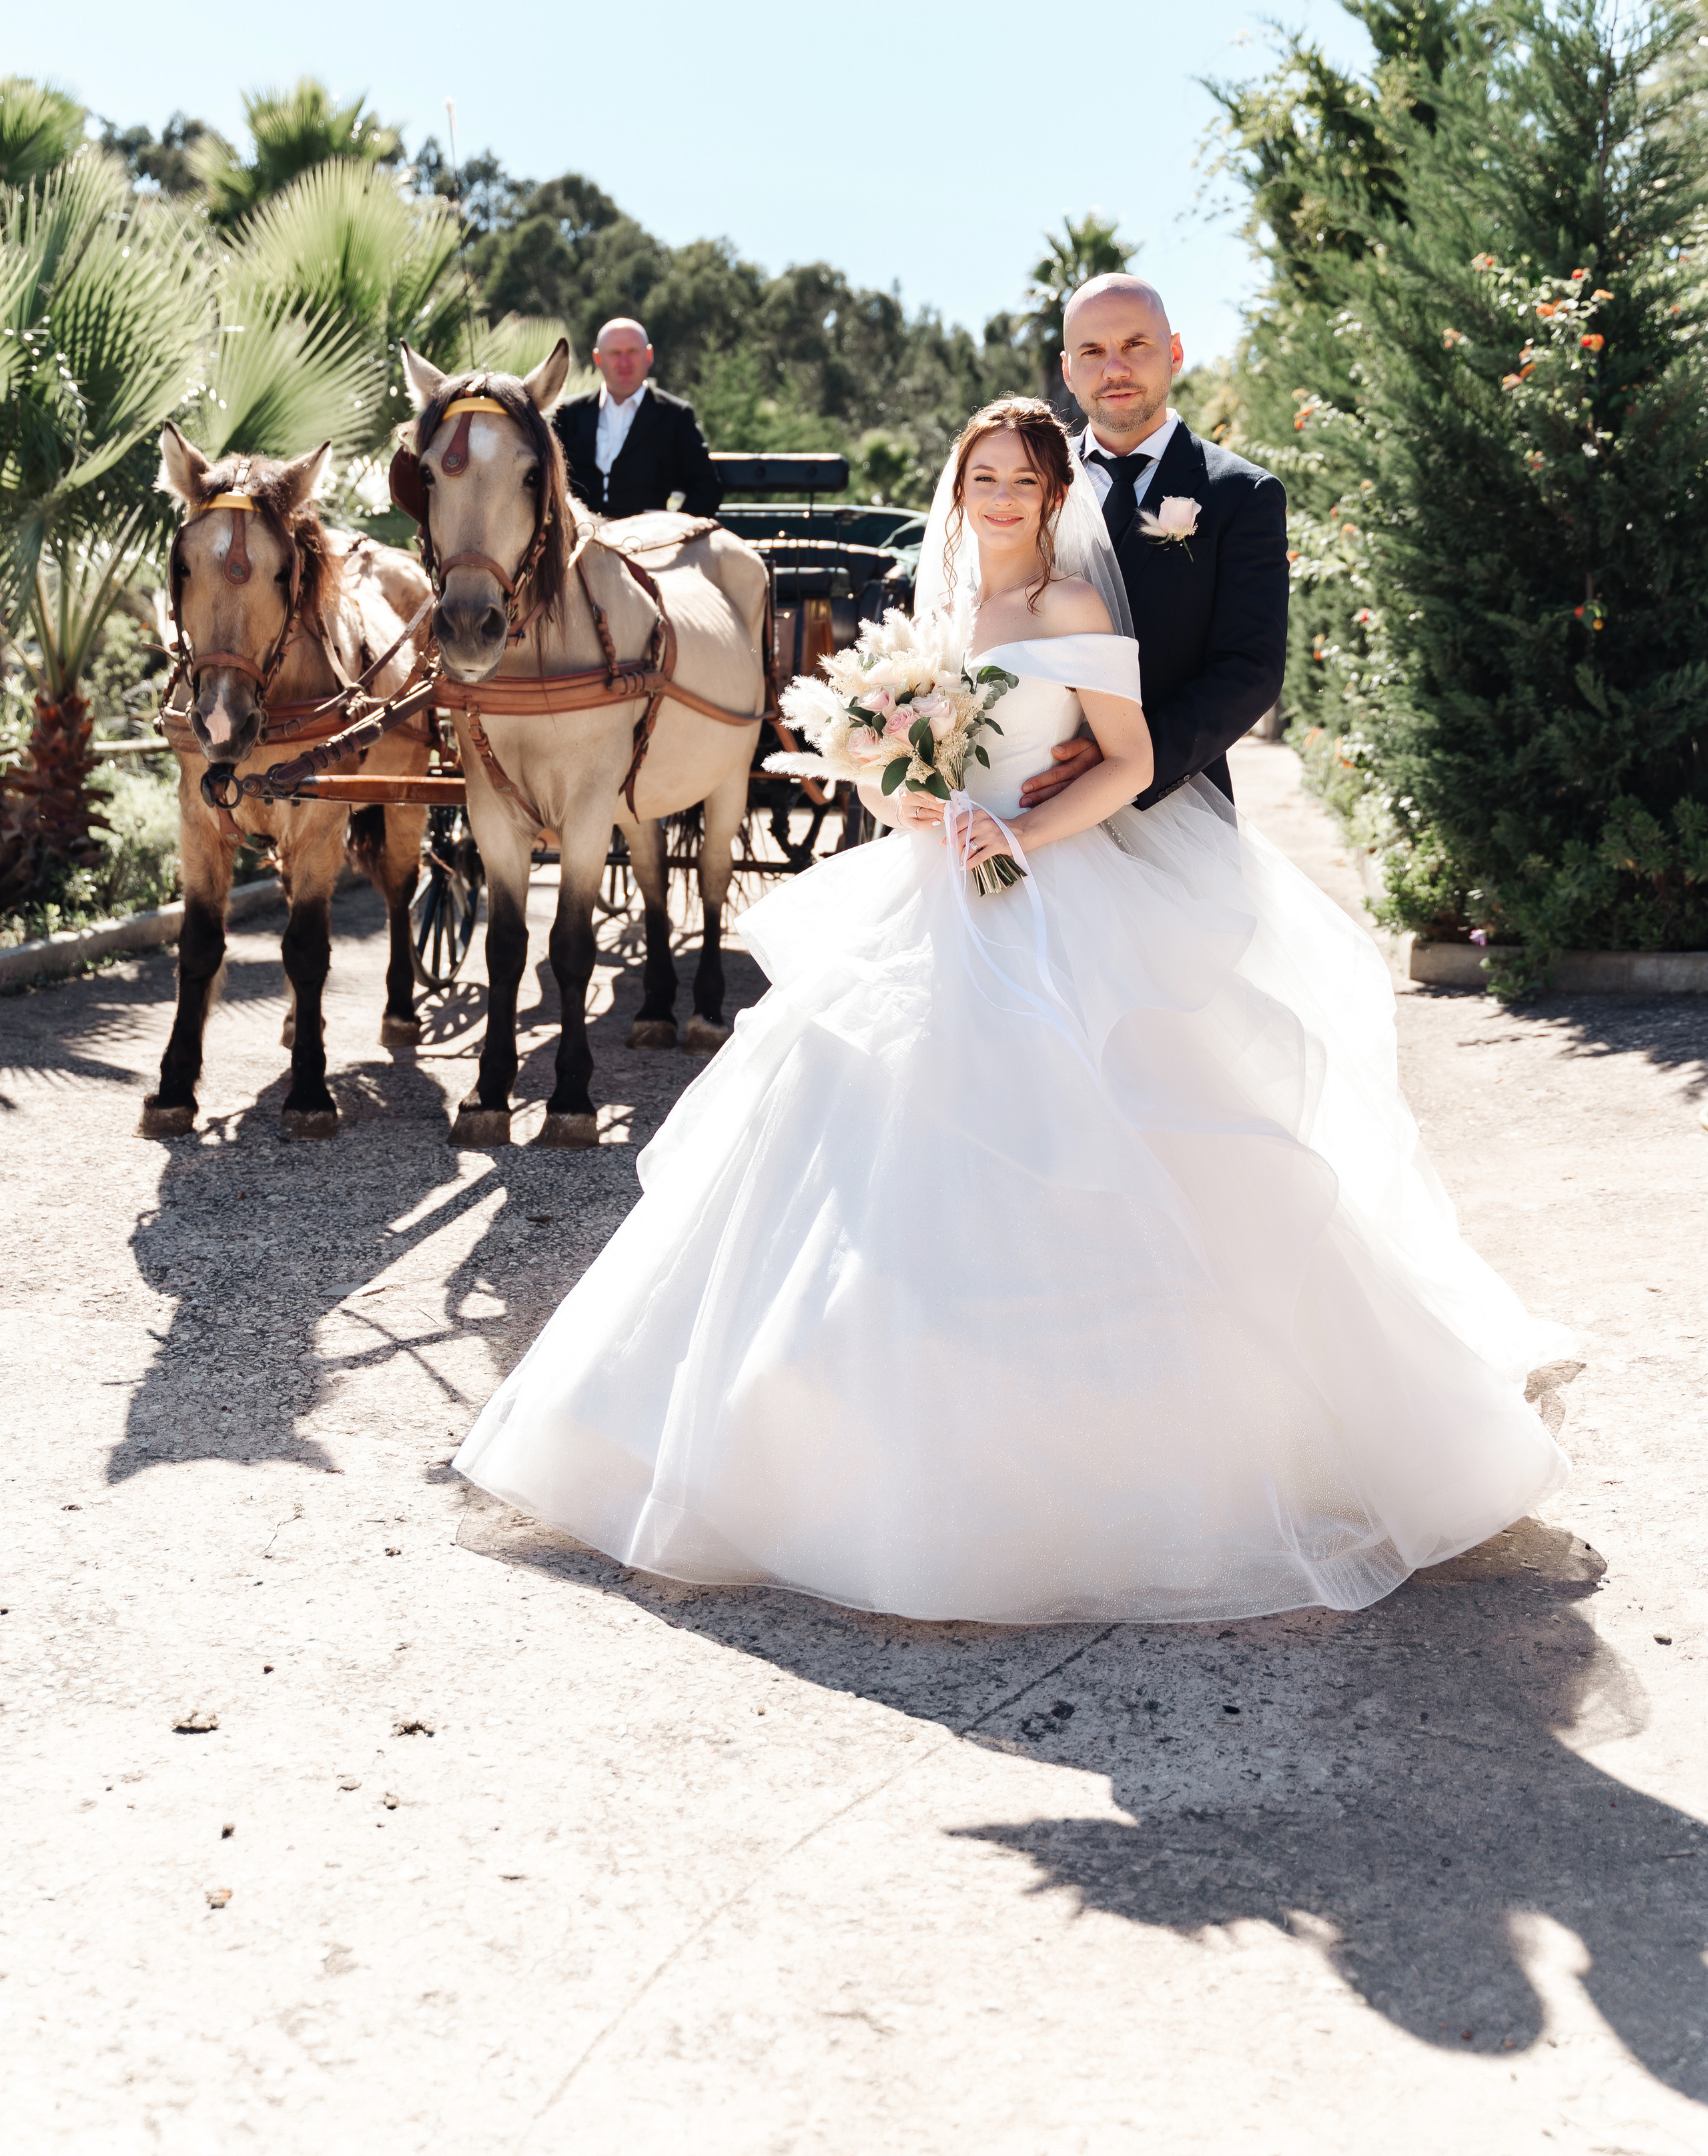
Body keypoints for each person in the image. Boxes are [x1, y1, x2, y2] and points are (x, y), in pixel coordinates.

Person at [452, 395, 1569, 1626]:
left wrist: (1023, 837)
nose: (999, 497)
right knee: (850, 1157)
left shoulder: (1075, 609)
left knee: (1106, 1149)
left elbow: (1135, 763)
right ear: (960, 485)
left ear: (1051, 498)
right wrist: (908, 801)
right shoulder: (933, 617)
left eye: (1023, 481)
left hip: (1056, 894)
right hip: (931, 897)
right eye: (982, 476)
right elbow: (890, 772)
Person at [1021, 273, 1286, 817]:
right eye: (1092, 351)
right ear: (1068, 371)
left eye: (1135, 345)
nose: (1113, 369)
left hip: (1174, 810)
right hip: (1023, 792)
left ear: (1175, 352)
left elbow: (1250, 670)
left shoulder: (1241, 495)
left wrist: (1122, 765)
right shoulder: (1027, 486)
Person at [552, 317, 723, 520]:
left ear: (649, 356)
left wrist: (673, 533)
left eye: (633, 352)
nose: (625, 362)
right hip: (577, 540)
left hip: (645, 544)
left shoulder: (675, 416)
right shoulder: (569, 414)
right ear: (598, 359)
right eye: (615, 353)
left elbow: (706, 487)